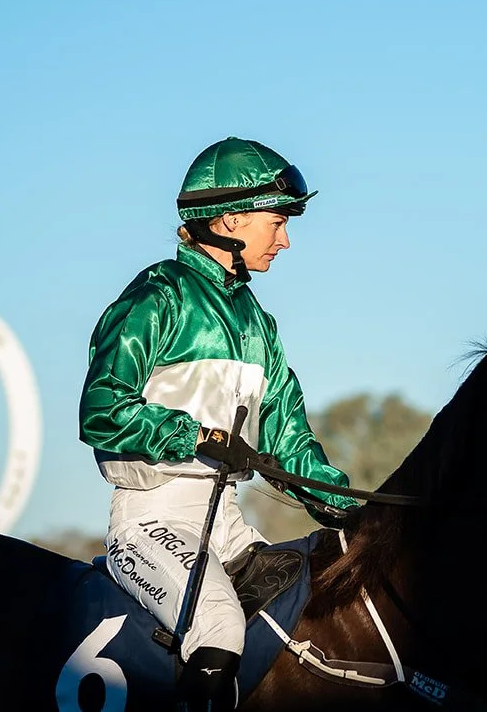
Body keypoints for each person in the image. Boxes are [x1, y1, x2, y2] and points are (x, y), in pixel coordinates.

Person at [79, 137, 358, 712]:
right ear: (231, 220)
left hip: (225, 522)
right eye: (276, 222)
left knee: (311, 607)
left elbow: (287, 440)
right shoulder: (157, 299)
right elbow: (101, 409)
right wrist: (196, 436)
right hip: (149, 522)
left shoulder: (260, 323)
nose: (285, 239)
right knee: (221, 628)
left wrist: (341, 500)